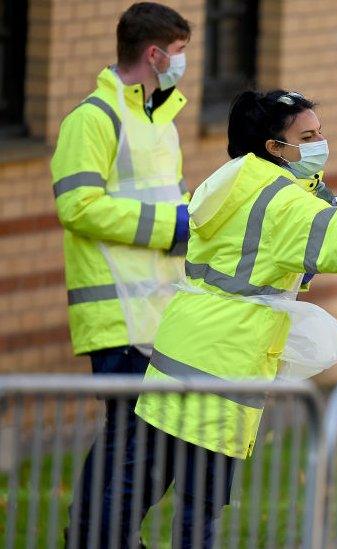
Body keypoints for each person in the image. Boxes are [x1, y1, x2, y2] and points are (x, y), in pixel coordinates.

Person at [112, 88, 337, 548]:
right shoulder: (281, 202)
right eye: (308, 135)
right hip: (225, 366)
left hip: (178, 354)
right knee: (199, 512)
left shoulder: (237, 179)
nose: (321, 142)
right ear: (275, 148)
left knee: (132, 497)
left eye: (321, 131)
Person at [50, 3, 192, 547]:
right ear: (153, 53)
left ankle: (90, 537)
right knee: (139, 447)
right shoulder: (93, 119)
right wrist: (171, 224)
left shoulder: (159, 122)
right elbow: (78, 206)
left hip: (156, 313)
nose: (183, 63)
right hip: (117, 312)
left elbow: (171, 211)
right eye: (178, 52)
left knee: (129, 443)